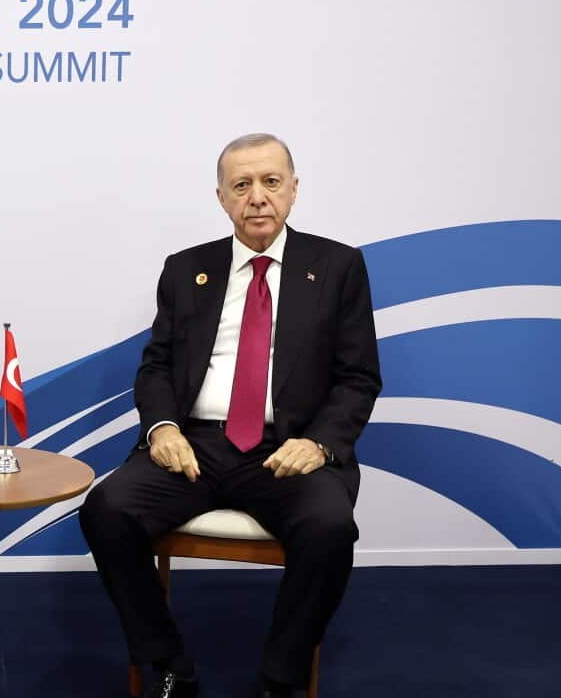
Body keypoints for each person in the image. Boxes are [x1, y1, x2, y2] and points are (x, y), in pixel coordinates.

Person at [79, 134, 382, 698]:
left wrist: (319, 444)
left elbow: (358, 377)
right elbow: (157, 367)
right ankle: (169, 662)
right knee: (107, 508)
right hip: (197, 444)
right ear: (221, 197)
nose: (257, 197)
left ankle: (278, 679)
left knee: (330, 529)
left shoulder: (337, 266)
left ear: (294, 188)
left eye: (270, 182)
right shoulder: (187, 268)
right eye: (241, 185)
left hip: (288, 450)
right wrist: (162, 427)